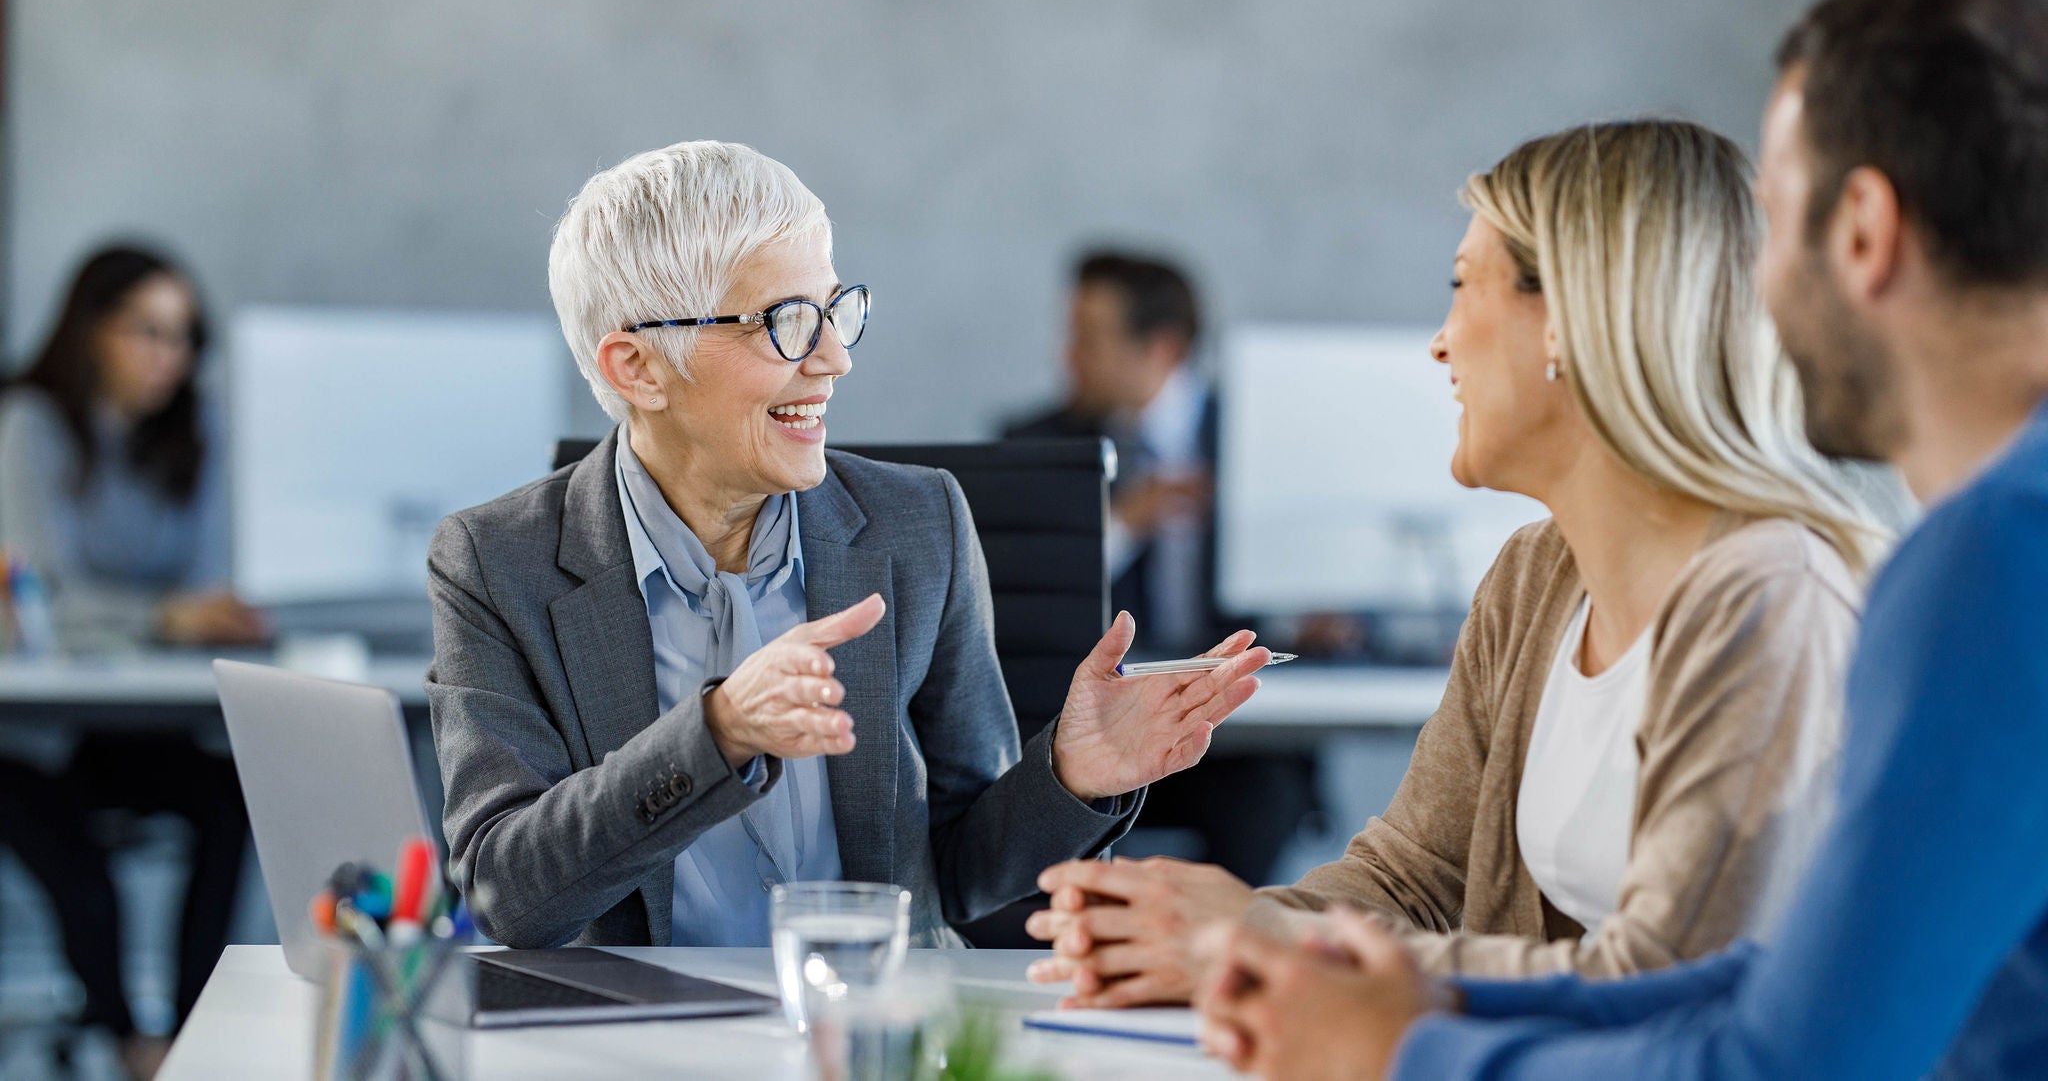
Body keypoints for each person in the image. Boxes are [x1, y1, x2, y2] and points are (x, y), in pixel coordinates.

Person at [1194, 0, 2048, 1081]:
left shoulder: (1987, 563)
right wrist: (1393, 990)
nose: (1751, 293)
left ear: (1859, 231)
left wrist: (1408, 1053)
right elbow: (1784, 981)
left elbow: (1777, 1066)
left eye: (1774, 224)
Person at [1030, 119, 1884, 1007]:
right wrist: (1188, 939)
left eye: (1463, 286)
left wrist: (1263, 942)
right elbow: (1413, 877)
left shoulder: (1771, 598)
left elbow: (1670, 977)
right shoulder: (1535, 577)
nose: (1440, 342)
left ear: (1569, 322)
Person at [427, 142, 1273, 951]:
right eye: (786, 322)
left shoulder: (919, 524)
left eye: (834, 311)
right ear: (638, 368)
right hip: (638, 1036)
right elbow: (506, 895)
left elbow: (963, 871)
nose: (834, 358)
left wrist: (1070, 777)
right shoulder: (495, 563)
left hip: (872, 1022)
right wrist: (715, 733)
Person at [0, 244, 266, 1079]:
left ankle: (190, 1034)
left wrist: (195, 615)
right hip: (38, 734)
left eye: (183, 337)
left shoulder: (195, 431)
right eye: (146, 331)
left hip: (141, 726)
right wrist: (161, 617)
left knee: (233, 800)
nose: (168, 357)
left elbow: (205, 584)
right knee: (66, 844)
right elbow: (43, 590)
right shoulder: (32, 425)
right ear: (92, 332)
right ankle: (127, 1038)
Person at [1004, 251, 1315, 885]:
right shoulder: (1038, 444)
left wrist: (1315, 607)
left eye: (1088, 337)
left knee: (1262, 803)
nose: (1068, 357)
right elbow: (1016, 589)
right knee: (1048, 795)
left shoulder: (1267, 434)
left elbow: (1326, 566)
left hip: (1243, 733)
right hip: (1104, 723)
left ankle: (1223, 957)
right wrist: (1124, 525)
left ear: (1162, 348)